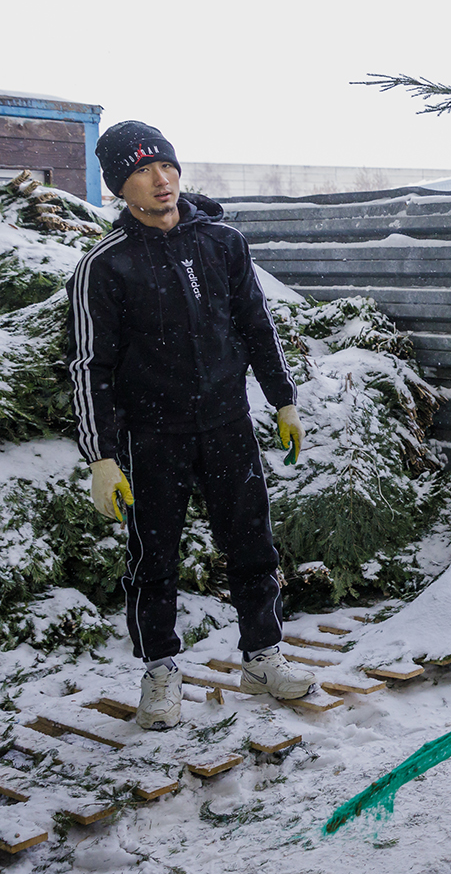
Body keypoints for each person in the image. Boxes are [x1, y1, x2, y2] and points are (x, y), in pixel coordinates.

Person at [67, 120, 316, 731]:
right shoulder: (106, 266)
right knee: (154, 557)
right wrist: (102, 458)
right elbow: (89, 365)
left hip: (228, 422)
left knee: (251, 541)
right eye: (144, 171)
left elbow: (257, 326)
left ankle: (261, 656)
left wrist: (281, 399)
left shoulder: (222, 244)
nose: (162, 179)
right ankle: (160, 670)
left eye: (168, 166)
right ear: (121, 186)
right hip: (153, 435)